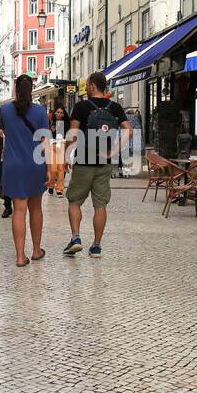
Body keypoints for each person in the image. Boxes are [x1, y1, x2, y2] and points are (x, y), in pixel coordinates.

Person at [63, 71, 130, 259]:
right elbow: (129, 131)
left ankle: (76, 239)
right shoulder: (115, 107)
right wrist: (113, 152)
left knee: (74, 201)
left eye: (87, 85)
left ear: (92, 86)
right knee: (100, 205)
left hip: (84, 160)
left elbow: (73, 133)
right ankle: (96, 246)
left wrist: (66, 156)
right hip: (105, 162)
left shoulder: (81, 106)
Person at [0, 73, 48, 266]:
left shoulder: (4, 110)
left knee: (19, 210)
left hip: (13, 164)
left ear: (15, 89)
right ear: (32, 90)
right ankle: (36, 250)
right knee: (35, 208)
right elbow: (45, 142)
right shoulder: (41, 112)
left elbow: (4, 132)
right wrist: (50, 168)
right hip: (35, 164)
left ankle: (20, 256)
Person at [47, 104, 71, 197]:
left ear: (64, 114)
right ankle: (51, 185)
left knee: (61, 168)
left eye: (61, 112)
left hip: (62, 145)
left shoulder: (67, 124)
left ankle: (60, 189)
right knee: (53, 168)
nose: (59, 114)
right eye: (58, 112)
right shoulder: (50, 122)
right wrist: (51, 130)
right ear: (55, 113)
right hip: (52, 145)